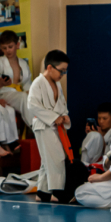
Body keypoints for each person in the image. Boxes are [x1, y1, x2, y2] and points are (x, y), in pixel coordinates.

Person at [27, 50, 70, 203]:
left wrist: (64, 115)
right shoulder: (37, 83)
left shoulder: (57, 84)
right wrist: (53, 117)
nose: (63, 74)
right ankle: (57, 192)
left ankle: (43, 192)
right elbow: (32, 105)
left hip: (55, 126)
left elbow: (62, 104)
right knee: (57, 157)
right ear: (50, 67)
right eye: (61, 70)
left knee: (47, 160)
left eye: (65, 71)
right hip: (43, 125)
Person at [0, 30, 33, 127]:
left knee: (33, 97)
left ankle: (46, 125)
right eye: (4, 48)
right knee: (23, 97)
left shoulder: (23, 63)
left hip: (19, 93)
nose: (8, 50)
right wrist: (0, 84)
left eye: (10, 47)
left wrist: (29, 92)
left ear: (17, 45)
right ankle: (35, 126)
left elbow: (27, 83)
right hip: (3, 93)